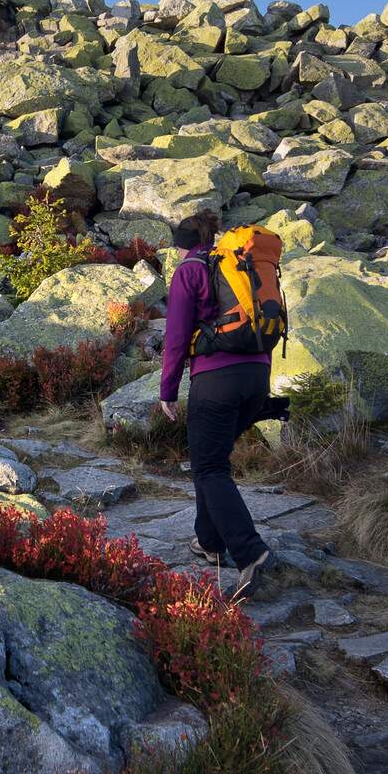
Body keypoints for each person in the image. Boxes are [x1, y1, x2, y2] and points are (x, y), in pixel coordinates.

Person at [157, 211, 274, 593]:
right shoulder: (240, 265)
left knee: (208, 468)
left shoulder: (189, 271)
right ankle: (210, 542)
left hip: (215, 381)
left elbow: (175, 338)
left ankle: (249, 552)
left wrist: (167, 391)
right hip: (257, 378)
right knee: (212, 462)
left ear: (181, 246)